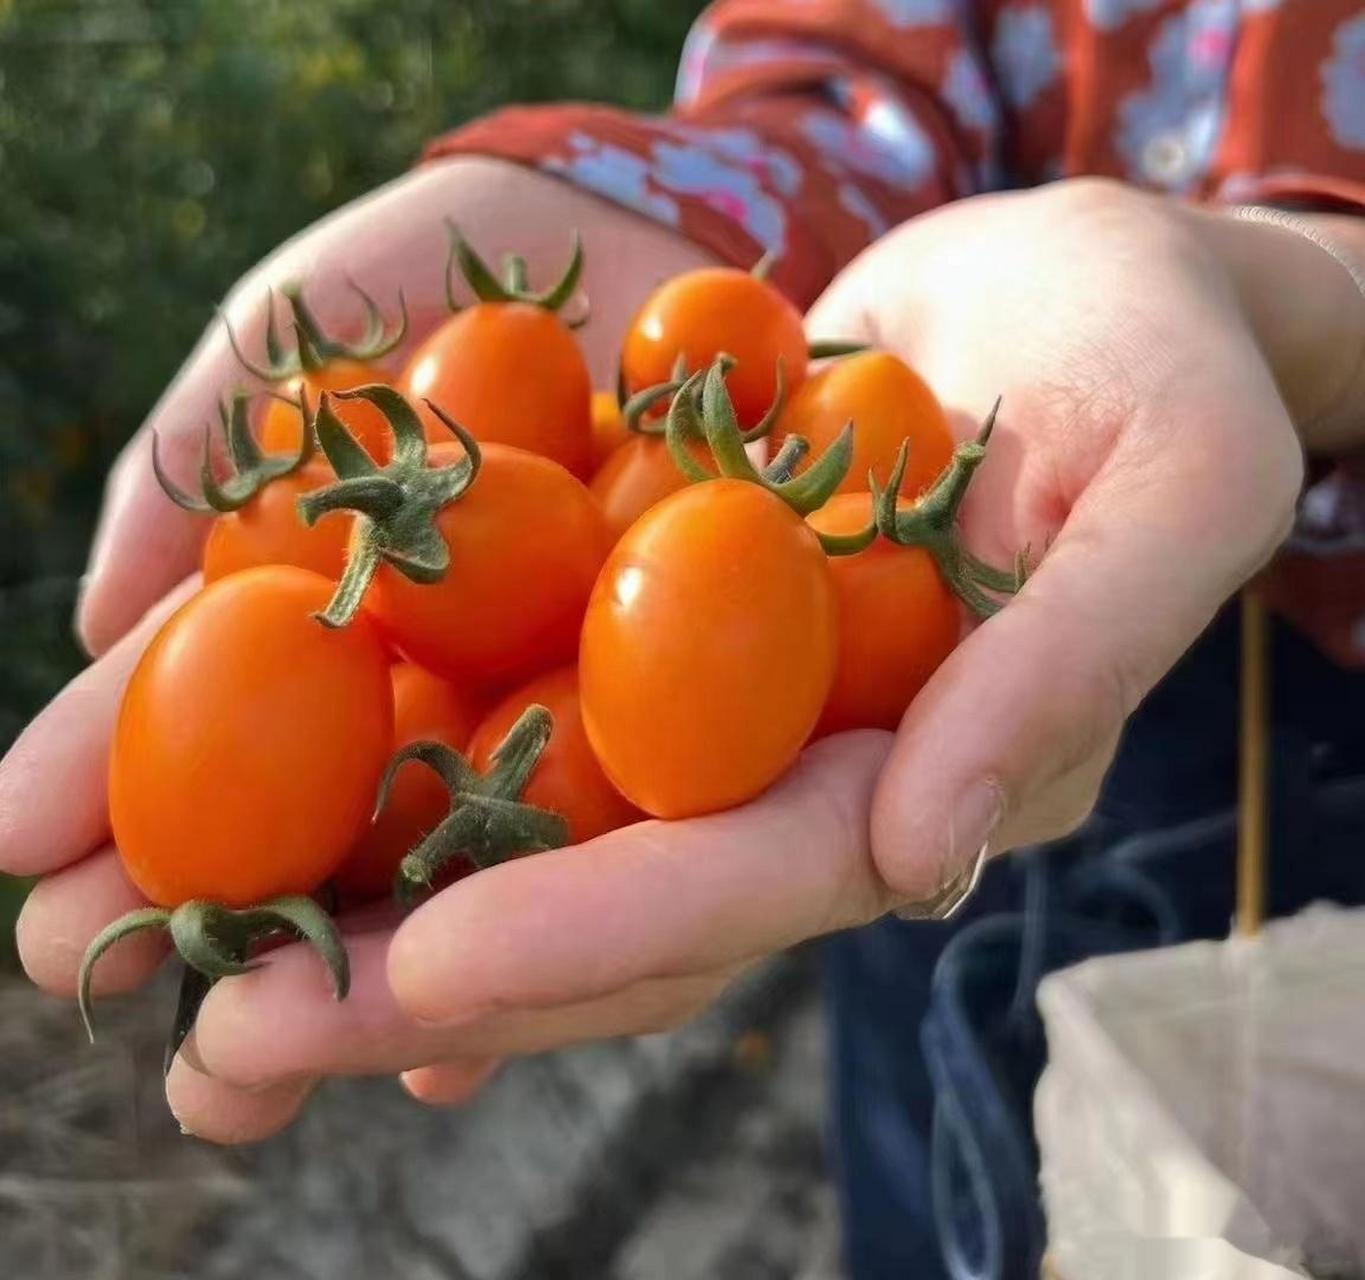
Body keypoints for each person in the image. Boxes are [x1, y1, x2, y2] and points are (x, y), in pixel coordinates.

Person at [3, 1, 1365, 1273]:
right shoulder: (665, 544)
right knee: (942, 1174)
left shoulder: (744, 548)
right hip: (961, 721)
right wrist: (679, 190)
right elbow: (850, 58)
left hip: (1287, 720)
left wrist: (1306, 302)